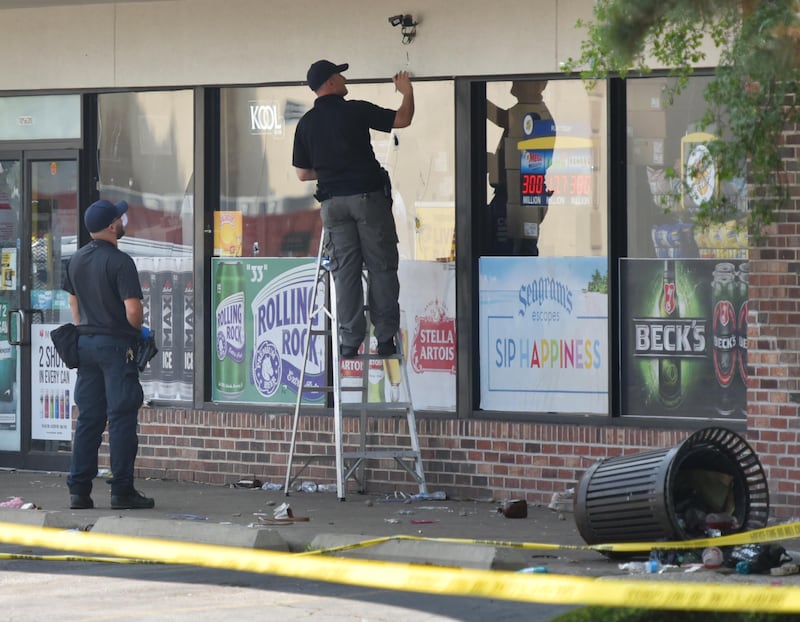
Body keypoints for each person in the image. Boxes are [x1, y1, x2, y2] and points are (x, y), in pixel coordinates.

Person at [292, 59, 414, 358]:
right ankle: (385, 339)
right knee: (381, 266)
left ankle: (349, 342)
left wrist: (332, 168)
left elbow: (303, 173)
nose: (345, 79)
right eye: (340, 74)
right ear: (331, 82)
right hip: (366, 199)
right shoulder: (354, 109)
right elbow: (402, 119)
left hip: (332, 205)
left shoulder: (306, 123)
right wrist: (406, 91)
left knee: (344, 273)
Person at [62, 199, 154, 510]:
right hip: (115, 348)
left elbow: (74, 306)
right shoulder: (120, 261)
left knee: (89, 418)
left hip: (85, 344)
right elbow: (133, 310)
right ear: (112, 226)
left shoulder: (75, 260)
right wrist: (135, 332)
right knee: (121, 417)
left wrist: (88, 326)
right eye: (120, 216)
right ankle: (122, 491)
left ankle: (79, 490)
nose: (123, 219)